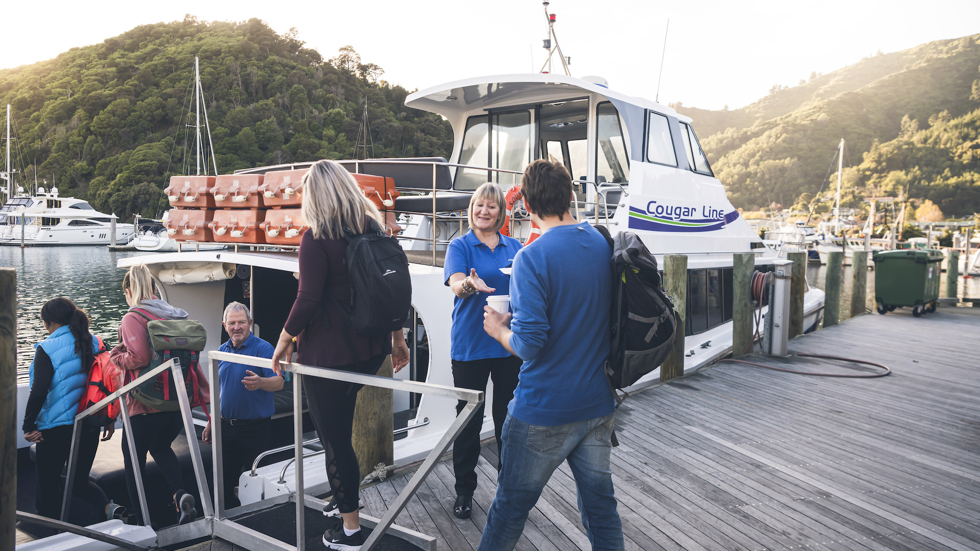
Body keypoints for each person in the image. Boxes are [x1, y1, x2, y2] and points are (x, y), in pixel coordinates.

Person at [481, 159, 624, 550]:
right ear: (571, 194)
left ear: (525, 204)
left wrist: (498, 329)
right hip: (597, 403)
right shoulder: (600, 241)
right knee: (600, 508)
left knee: (510, 507)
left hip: (543, 409)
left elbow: (529, 345)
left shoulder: (532, 257)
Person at [271, 159, 410, 551]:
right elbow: (391, 291)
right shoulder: (373, 229)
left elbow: (308, 299)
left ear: (314, 196)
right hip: (368, 351)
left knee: (334, 439)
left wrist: (283, 340)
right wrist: (397, 338)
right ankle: (341, 496)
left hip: (329, 358)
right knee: (341, 431)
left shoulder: (316, 238)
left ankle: (350, 531)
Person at [443, 182, 522, 520]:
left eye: (491, 206)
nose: (484, 211)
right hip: (470, 347)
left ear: (500, 212)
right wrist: (469, 284)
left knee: (509, 424)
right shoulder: (460, 245)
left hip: (508, 346)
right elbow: (456, 284)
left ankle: (509, 494)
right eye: (479, 205)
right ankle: (464, 492)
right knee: (468, 424)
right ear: (471, 210)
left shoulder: (515, 246)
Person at [110, 264, 210, 526]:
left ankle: (141, 521)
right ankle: (180, 493)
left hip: (145, 404)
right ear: (155, 289)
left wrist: (116, 356)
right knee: (161, 446)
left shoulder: (133, 317)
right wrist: (205, 401)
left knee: (133, 459)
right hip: (177, 402)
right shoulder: (175, 315)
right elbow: (190, 361)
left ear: (129, 291)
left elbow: (139, 357)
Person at [23, 298, 125, 522]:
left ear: (48, 322)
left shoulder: (47, 349)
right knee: (79, 482)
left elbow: (39, 392)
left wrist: (28, 426)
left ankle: (52, 532)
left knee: (48, 484)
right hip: (88, 422)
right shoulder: (95, 342)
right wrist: (108, 417)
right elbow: (108, 382)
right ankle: (111, 509)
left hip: (55, 428)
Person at [201, 301, 281, 509]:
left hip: (256, 429)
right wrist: (212, 421)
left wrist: (261, 382)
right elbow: (218, 391)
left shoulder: (264, 348)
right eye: (232, 323)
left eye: (241, 322)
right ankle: (227, 524)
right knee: (223, 481)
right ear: (224, 325)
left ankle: (263, 522)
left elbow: (279, 382)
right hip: (226, 428)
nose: (237, 327)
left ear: (250, 323)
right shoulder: (221, 350)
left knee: (258, 482)